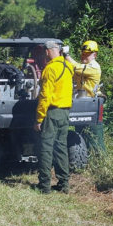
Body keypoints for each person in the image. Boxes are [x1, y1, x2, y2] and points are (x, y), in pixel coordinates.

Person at [34, 41, 74, 193]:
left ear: (47, 52)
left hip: (51, 113)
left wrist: (39, 118)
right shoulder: (67, 66)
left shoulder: (50, 69)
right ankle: (64, 185)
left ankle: (44, 186)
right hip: (65, 113)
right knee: (61, 148)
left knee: (46, 148)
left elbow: (45, 96)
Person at [65, 40, 106, 154]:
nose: (84, 56)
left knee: (95, 136)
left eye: (87, 54)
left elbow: (76, 67)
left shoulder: (94, 67)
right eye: (83, 54)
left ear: (95, 55)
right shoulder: (83, 65)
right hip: (82, 103)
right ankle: (84, 157)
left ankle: (101, 161)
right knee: (81, 134)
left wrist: (66, 55)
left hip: (93, 103)